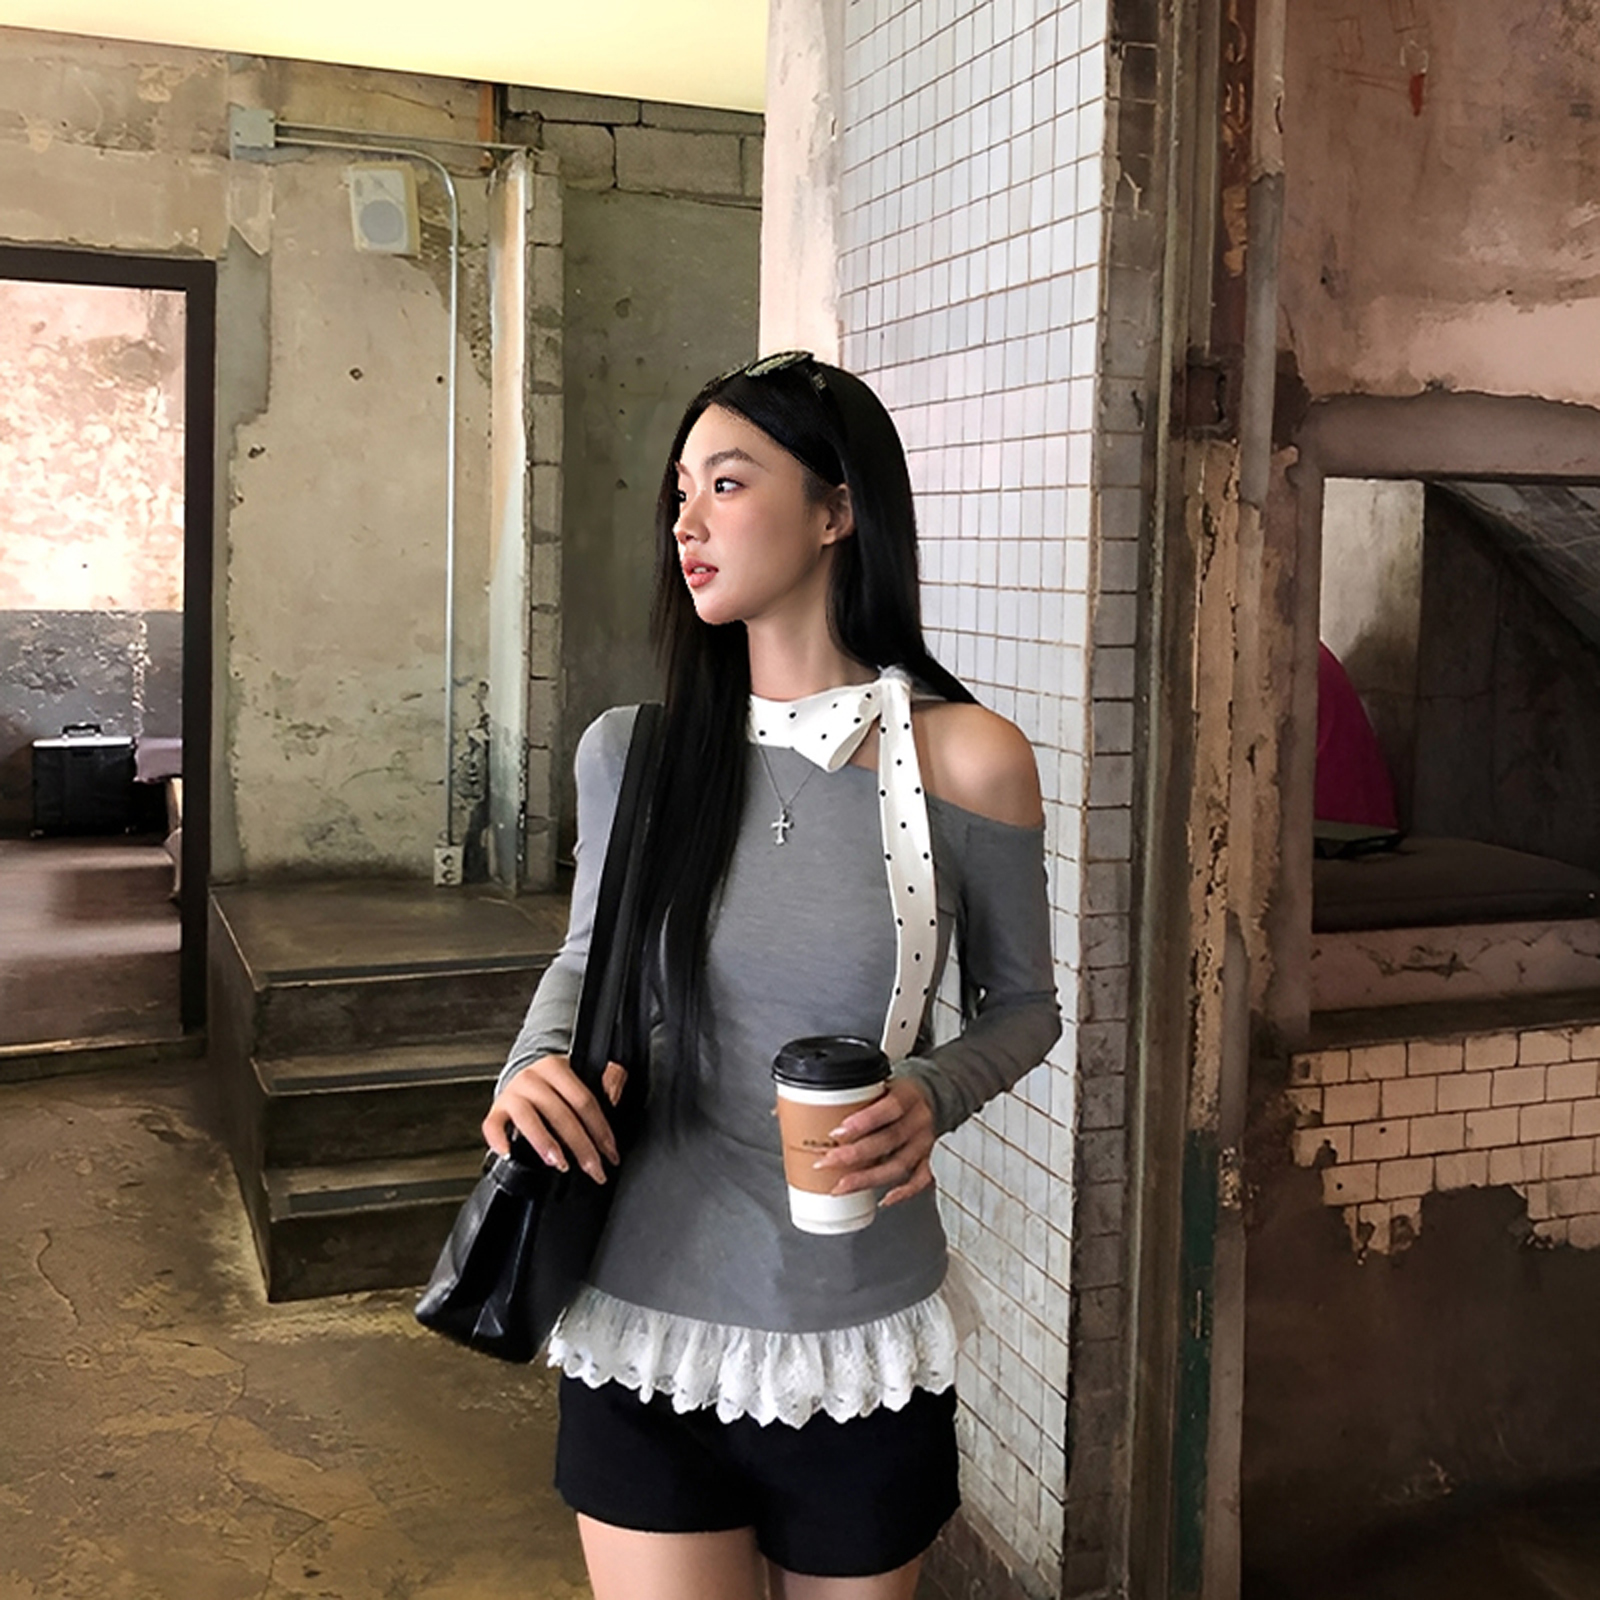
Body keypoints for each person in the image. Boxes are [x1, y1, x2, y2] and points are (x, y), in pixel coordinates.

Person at [482, 352, 1061, 1600]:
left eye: (728, 483)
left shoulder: (969, 759)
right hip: (639, 1311)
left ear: (837, 508)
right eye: (679, 491)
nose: (685, 522)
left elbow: (1022, 1007)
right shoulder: (632, 752)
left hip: (856, 1328)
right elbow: (586, 956)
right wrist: (530, 1065)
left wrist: (932, 1092)